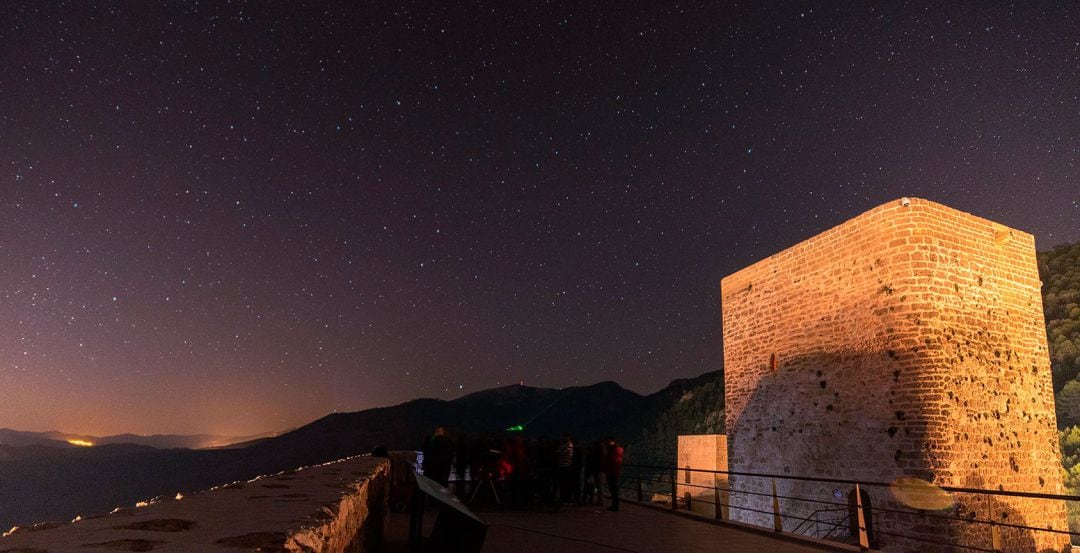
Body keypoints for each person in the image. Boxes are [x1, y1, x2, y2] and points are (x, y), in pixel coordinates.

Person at [602, 436, 624, 512]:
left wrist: (604, 467)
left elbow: (609, 461)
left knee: (613, 489)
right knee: (614, 489)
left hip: (611, 471)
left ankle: (615, 506)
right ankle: (614, 505)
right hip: (615, 471)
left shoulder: (612, 450)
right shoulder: (618, 450)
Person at [556, 433, 575, 503]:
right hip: (564, 466)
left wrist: (558, 450)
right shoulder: (566, 445)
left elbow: (560, 453)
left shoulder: (568, 445)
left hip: (565, 466)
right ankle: (564, 498)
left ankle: (565, 498)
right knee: (563, 483)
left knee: (564, 483)